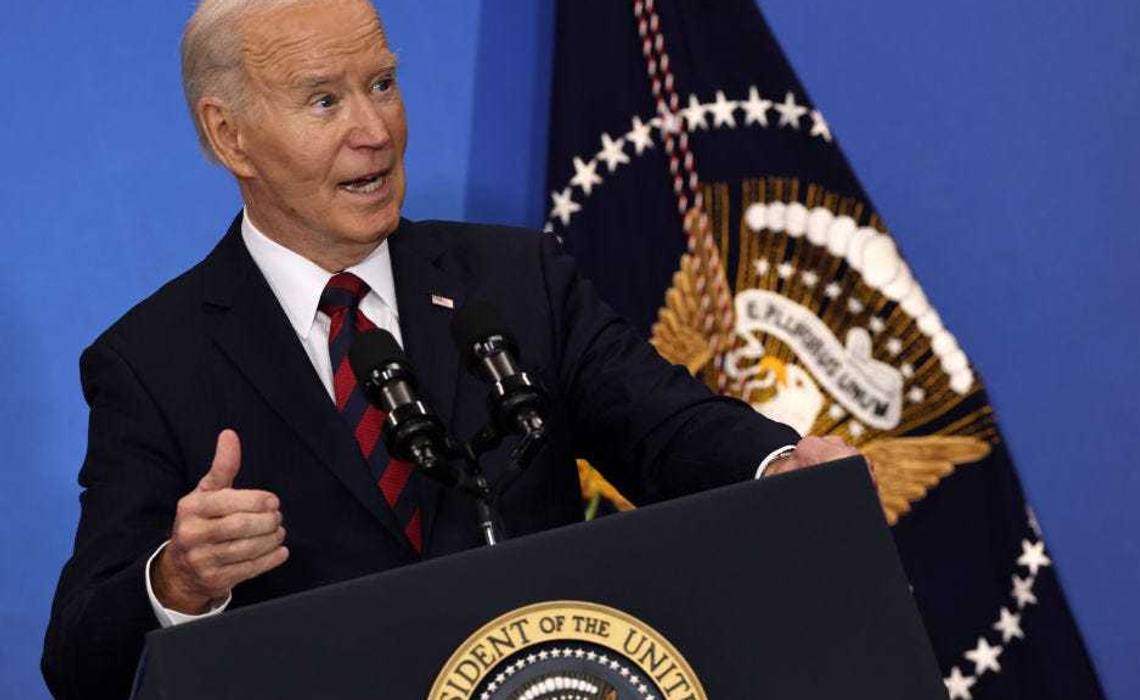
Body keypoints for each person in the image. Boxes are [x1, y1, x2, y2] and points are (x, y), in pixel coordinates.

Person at [40, 0, 862, 697]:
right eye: (323, 101)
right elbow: (78, 658)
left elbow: (664, 427)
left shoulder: (514, 279)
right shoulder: (154, 362)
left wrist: (775, 468)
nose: (375, 130)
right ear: (231, 138)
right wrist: (178, 583)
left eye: (383, 84)